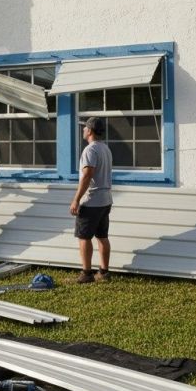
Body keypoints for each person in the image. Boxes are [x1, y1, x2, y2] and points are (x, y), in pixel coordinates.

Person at [69, 116, 113, 283]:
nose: (83, 130)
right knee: (102, 236)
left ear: (90, 131)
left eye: (85, 127)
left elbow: (87, 175)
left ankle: (87, 274)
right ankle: (104, 272)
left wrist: (76, 199)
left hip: (92, 200)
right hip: (106, 199)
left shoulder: (90, 150)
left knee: (84, 237)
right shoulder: (105, 148)